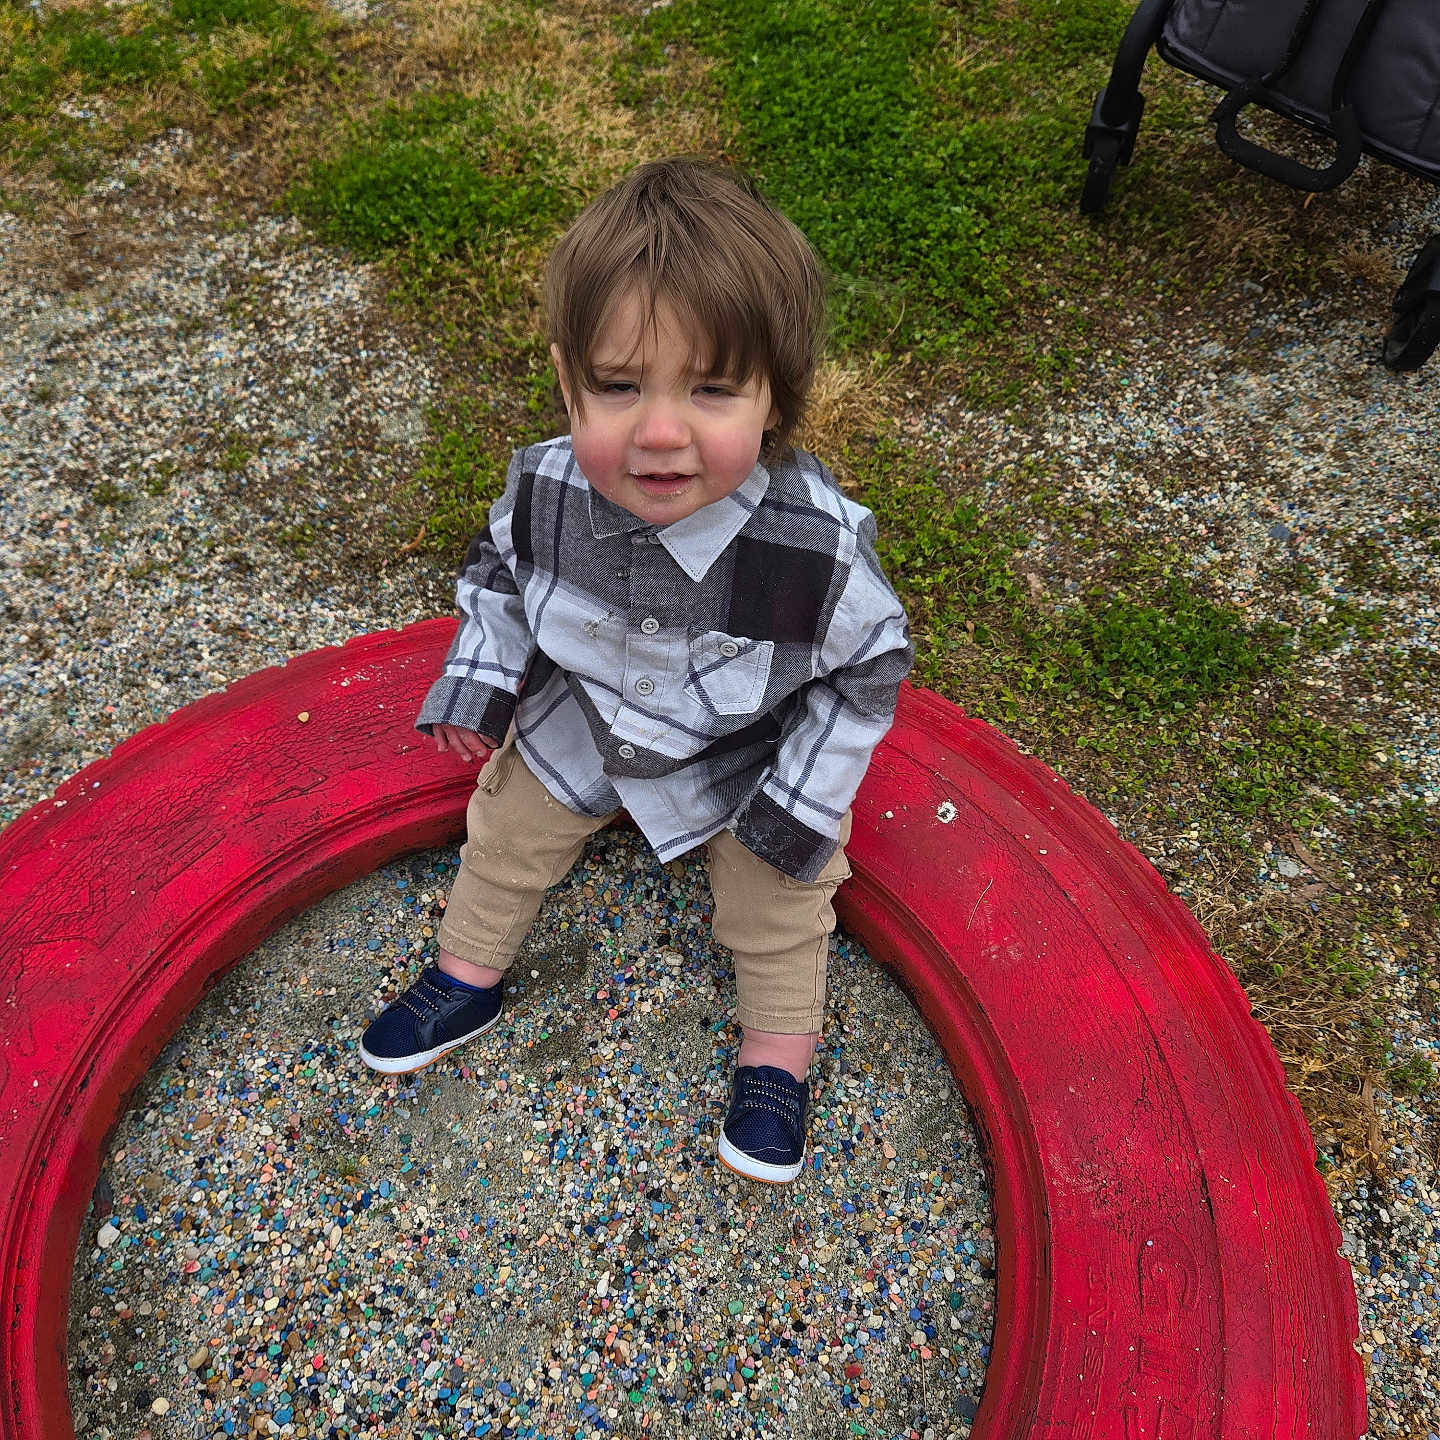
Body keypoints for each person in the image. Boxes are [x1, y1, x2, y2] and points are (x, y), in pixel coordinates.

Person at [359, 157, 913, 1185]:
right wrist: (480, 684)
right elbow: (497, 575)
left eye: (710, 390)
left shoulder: (814, 547)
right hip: (588, 715)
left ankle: (778, 1054)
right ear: (571, 378)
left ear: (776, 400)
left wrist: (801, 802)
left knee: (779, 895)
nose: (660, 434)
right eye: (618, 387)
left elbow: (870, 666)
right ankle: (466, 969)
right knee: (508, 827)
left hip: (745, 750)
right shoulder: (545, 488)